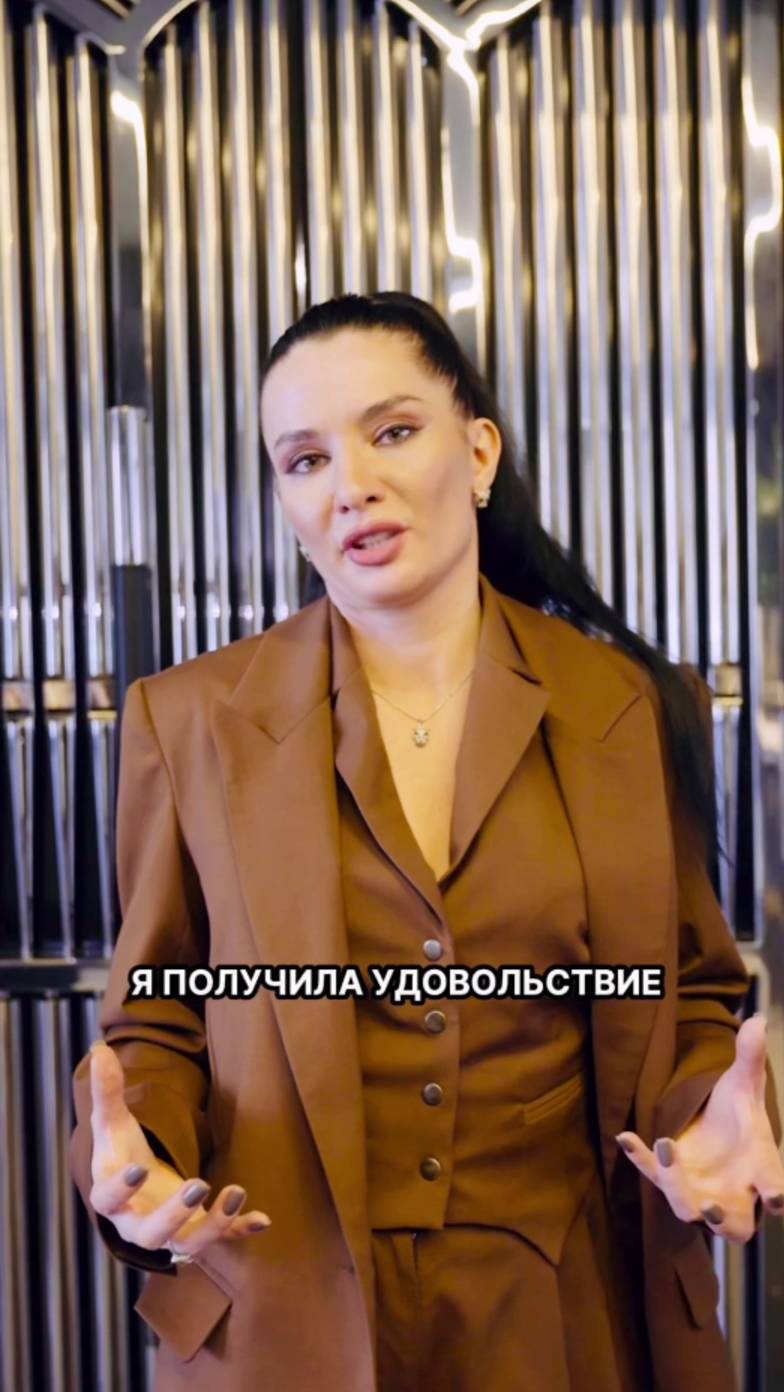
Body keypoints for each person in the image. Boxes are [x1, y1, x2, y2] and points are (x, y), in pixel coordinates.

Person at [70, 292, 784, 1392]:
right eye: (305, 459)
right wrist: (139, 1153)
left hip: (566, 1318)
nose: (350, 483)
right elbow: (158, 1014)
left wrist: (712, 1118)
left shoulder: (632, 705)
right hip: (284, 1315)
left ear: (479, 451)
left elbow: (689, 995)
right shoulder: (189, 719)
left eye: (392, 432)